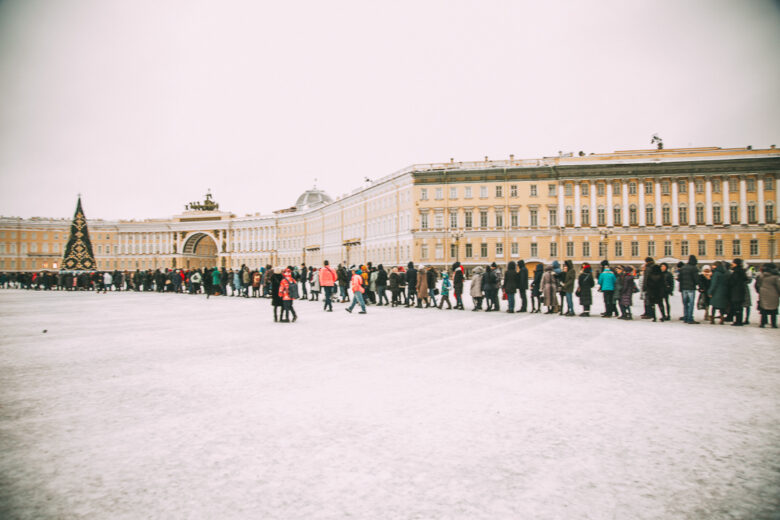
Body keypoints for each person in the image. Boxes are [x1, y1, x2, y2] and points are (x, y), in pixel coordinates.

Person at [756, 263, 780, 328]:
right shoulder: (776, 276)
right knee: (774, 309)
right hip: (773, 294)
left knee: (763, 309)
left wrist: (759, 291)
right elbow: (778, 286)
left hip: (763, 294)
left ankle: (762, 323)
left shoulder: (761, 275)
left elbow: (757, 285)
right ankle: (773, 324)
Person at [678, 255, 700, 324]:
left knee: (685, 303)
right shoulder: (694, 268)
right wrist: (699, 285)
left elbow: (679, 279)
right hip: (691, 288)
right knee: (691, 303)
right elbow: (696, 279)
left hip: (684, 288)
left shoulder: (683, 268)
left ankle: (686, 317)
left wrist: (680, 288)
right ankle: (690, 318)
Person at [727, 258, 748, 326]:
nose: (732, 264)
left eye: (733, 263)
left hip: (736, 291)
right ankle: (739, 320)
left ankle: (738, 321)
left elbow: (733, 282)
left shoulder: (737, 271)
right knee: (739, 307)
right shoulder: (741, 271)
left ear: (736, 264)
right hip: (740, 291)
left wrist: (729, 282)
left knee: (737, 307)